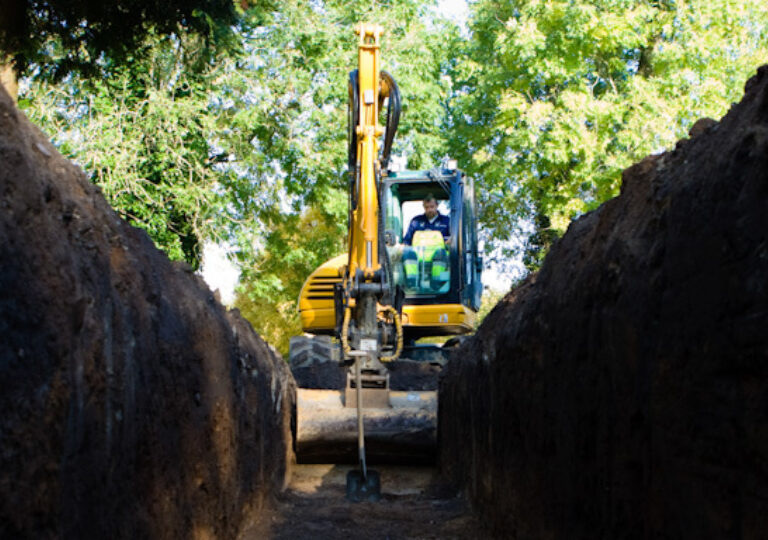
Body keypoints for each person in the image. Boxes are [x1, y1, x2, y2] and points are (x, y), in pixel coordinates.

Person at [402, 194, 450, 291]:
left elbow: (453, 239)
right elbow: (407, 241)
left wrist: (450, 242)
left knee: (441, 254)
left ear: (437, 205)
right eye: (427, 207)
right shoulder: (416, 221)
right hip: (419, 256)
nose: (429, 210)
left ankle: (436, 284)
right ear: (423, 207)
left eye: (432, 207)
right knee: (407, 253)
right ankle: (412, 283)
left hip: (440, 255)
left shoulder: (446, 221)